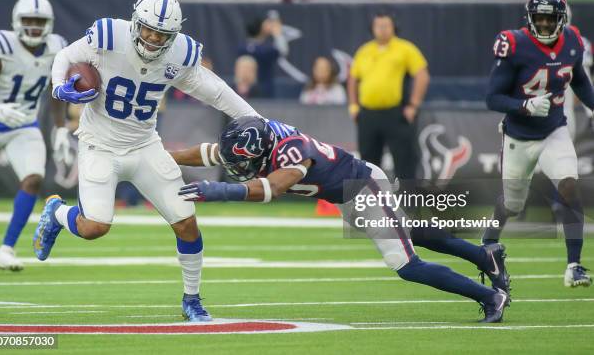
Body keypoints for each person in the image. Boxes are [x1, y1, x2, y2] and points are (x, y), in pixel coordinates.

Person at [32, 0, 259, 321]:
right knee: (95, 227)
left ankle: (192, 300)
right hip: (99, 144)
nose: (153, 38)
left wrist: (256, 120)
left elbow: (217, 92)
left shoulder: (180, 55)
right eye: (148, 28)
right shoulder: (109, 36)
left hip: (145, 145)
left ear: (174, 34)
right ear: (135, 21)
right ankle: (56, 214)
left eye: (162, 34)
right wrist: (57, 86)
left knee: (186, 223)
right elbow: (65, 55)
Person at [171, 116, 511, 323]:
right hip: (346, 194)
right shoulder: (259, 139)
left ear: (264, 149)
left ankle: (489, 297)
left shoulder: (290, 150)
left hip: (363, 187)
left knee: (405, 263)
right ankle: (485, 256)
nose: (238, 170)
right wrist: (159, 156)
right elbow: (209, 152)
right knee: (409, 232)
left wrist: (218, 190)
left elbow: (274, 187)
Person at [483, 0, 593, 288]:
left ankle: (574, 266)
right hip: (518, 135)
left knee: (570, 187)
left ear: (561, 18)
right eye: (539, 19)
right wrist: (524, 105)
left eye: (549, 19)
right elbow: (492, 98)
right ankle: (487, 241)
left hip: (554, 130)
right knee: (512, 204)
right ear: (530, 17)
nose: (544, 24)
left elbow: (579, 80)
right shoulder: (514, 43)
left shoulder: (572, 40)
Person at [0, 0, 70, 270]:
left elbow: (56, 91)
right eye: (28, 21)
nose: (33, 27)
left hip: (24, 125)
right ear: (17, 22)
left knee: (33, 179)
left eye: (39, 21)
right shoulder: (1, 45)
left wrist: (61, 128)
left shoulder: (57, 48)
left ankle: (6, 249)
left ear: (50, 24)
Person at [348, 13, 430, 180]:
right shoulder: (364, 50)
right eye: (379, 26)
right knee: (368, 164)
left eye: (386, 25)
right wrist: (353, 106)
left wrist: (413, 105)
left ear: (394, 27)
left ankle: (408, 205)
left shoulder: (405, 48)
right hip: (368, 114)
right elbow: (352, 79)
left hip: (396, 113)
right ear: (372, 29)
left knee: (404, 162)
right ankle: (371, 204)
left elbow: (422, 75)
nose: (382, 29)